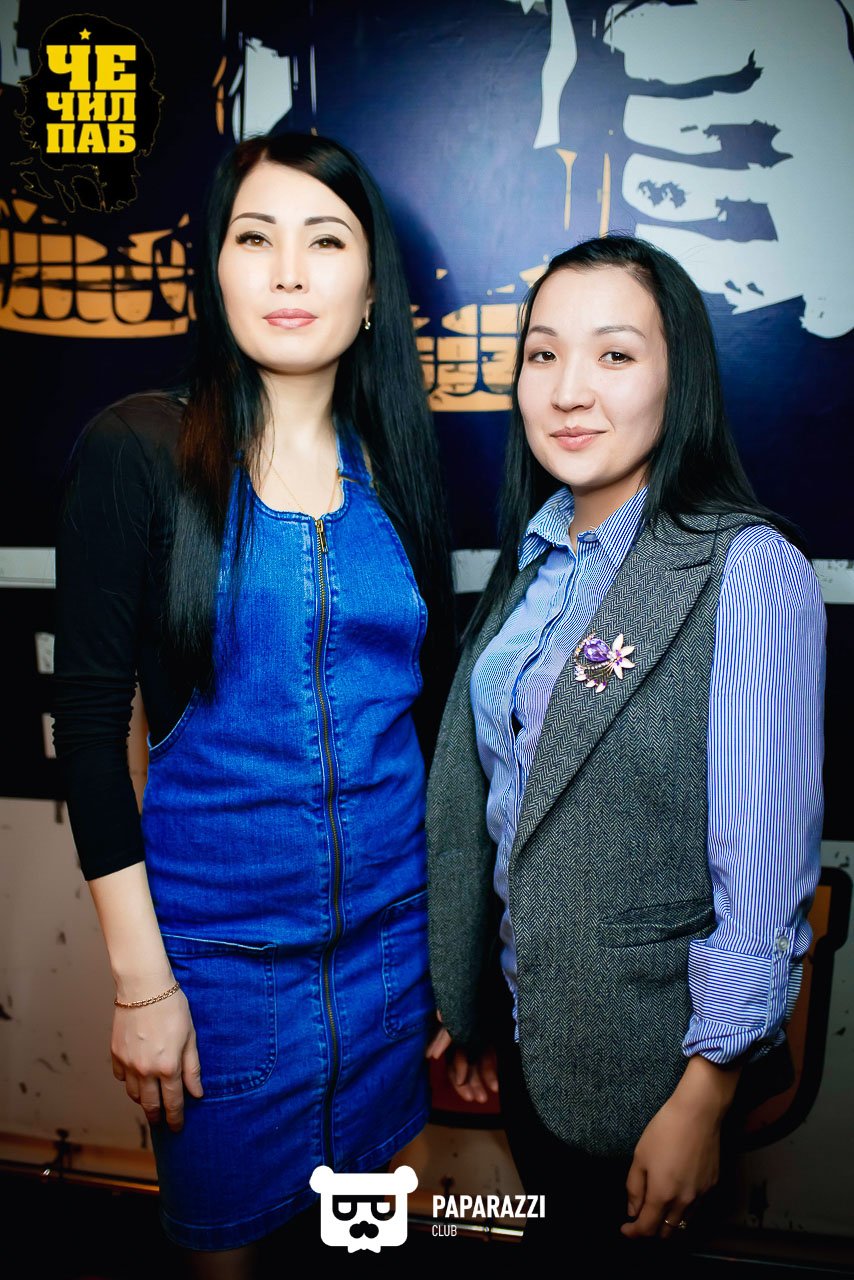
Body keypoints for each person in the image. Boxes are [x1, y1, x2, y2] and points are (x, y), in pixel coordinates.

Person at [52, 131, 454, 1275]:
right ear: (215, 272)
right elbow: (90, 737)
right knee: (223, 1258)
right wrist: (143, 986)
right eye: (253, 238)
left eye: (324, 241)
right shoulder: (138, 449)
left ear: (370, 291)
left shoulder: (398, 465)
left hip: (391, 955)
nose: (287, 271)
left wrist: (447, 957)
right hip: (219, 975)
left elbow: (423, 724)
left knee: (373, 1239)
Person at [425, 235, 824, 1259]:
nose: (568, 389)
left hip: (655, 1071)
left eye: (613, 354)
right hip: (532, 1043)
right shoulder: (538, 559)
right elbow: (504, 804)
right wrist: (473, 999)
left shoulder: (746, 569)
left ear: (675, 379)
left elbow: (761, 871)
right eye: (542, 354)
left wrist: (707, 1091)